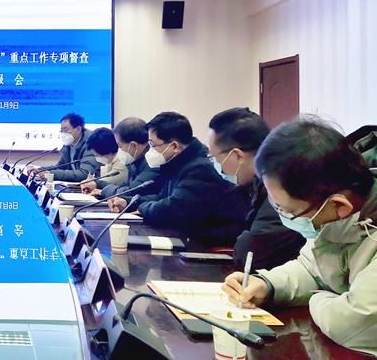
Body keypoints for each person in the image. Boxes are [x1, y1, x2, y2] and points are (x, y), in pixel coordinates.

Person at [222, 117, 377, 357]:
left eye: (290, 212)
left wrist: (317, 298)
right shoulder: (334, 213)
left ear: (339, 205)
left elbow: (352, 324)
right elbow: (311, 268)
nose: (284, 217)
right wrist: (268, 285)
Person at [112, 111, 244, 245]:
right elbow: (162, 197)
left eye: (152, 145)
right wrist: (129, 202)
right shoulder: (177, 162)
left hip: (210, 243)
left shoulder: (200, 169)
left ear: (174, 146)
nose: (150, 150)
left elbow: (172, 209)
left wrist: (142, 208)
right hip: (190, 236)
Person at [208, 108, 306, 270]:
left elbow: (252, 254)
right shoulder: (252, 183)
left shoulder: (281, 184)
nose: (217, 166)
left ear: (237, 155)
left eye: (214, 158)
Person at [96, 117, 161, 200]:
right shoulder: (135, 161)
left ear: (133, 145)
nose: (119, 150)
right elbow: (125, 186)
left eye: (120, 146)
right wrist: (98, 185)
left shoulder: (152, 163)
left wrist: (103, 191)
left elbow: (130, 192)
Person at [29, 113, 100, 182]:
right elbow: (61, 166)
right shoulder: (69, 143)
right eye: (61, 130)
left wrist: (52, 174)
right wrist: (40, 170)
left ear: (78, 129)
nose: (63, 133)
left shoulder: (91, 143)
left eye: (66, 130)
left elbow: (85, 173)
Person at [79, 127, 129, 197]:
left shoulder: (122, 162)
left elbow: (105, 183)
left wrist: (93, 183)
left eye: (96, 155)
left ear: (105, 152)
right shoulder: (109, 159)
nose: (96, 157)